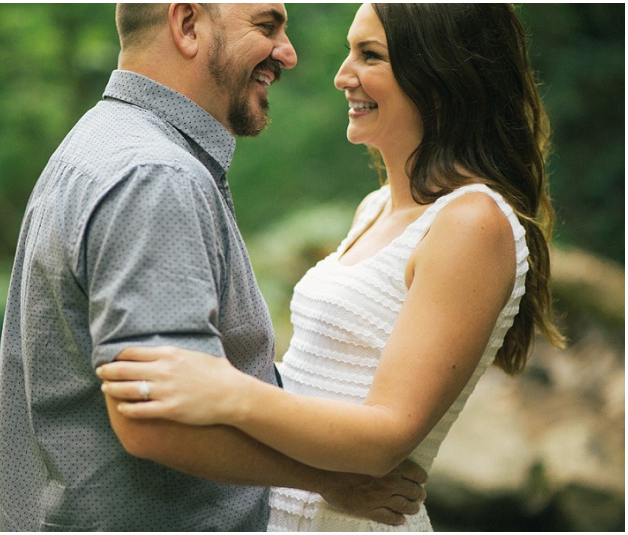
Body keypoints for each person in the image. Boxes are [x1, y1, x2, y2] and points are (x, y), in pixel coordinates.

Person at [97, 3, 567, 531]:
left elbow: (386, 436)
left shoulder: (472, 222)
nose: (343, 76)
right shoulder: (377, 207)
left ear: (442, 73)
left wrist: (226, 391)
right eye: (350, 52)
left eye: (371, 56)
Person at [0, 3, 428, 532]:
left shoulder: (100, 141)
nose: (287, 53)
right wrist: (329, 478)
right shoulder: (156, 177)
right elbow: (156, 419)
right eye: (267, 27)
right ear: (187, 24)